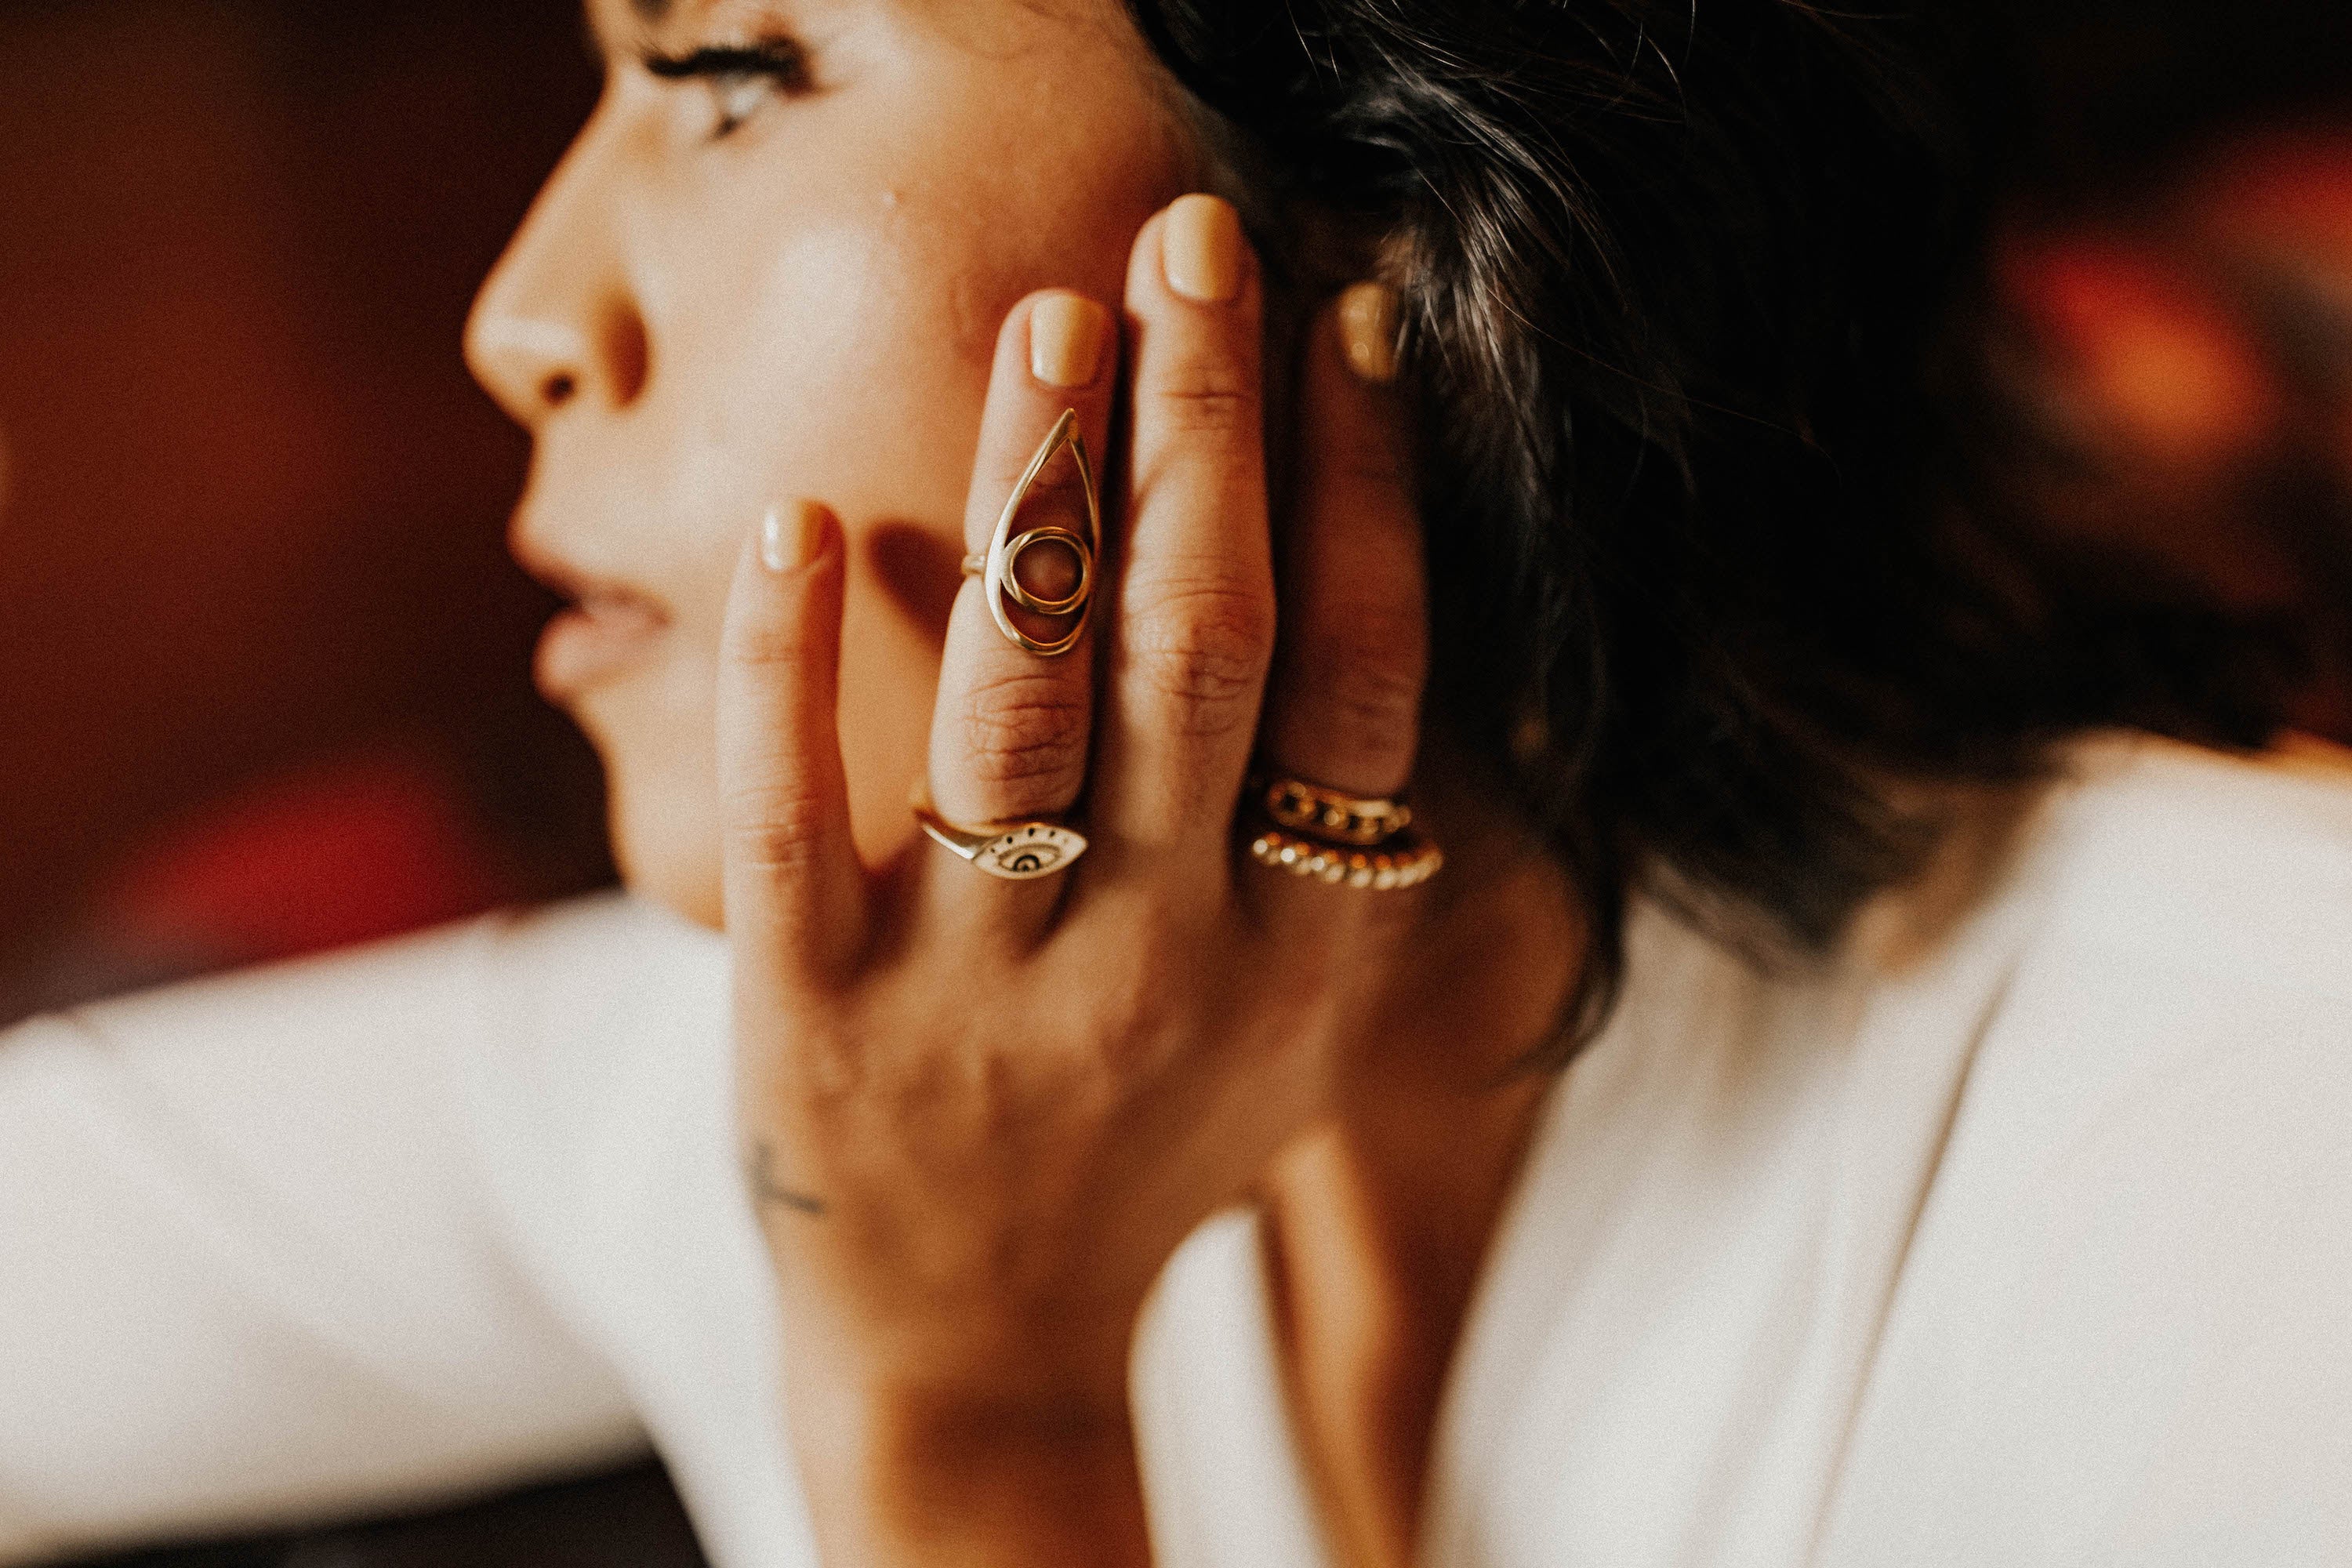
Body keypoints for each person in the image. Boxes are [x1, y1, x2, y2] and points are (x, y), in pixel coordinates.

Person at [4, 2, 2349, 1566]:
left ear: (1407, 236)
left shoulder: (2257, 1162)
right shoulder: (788, 1094)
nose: (525, 309)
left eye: (732, 69)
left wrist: (969, 1423)